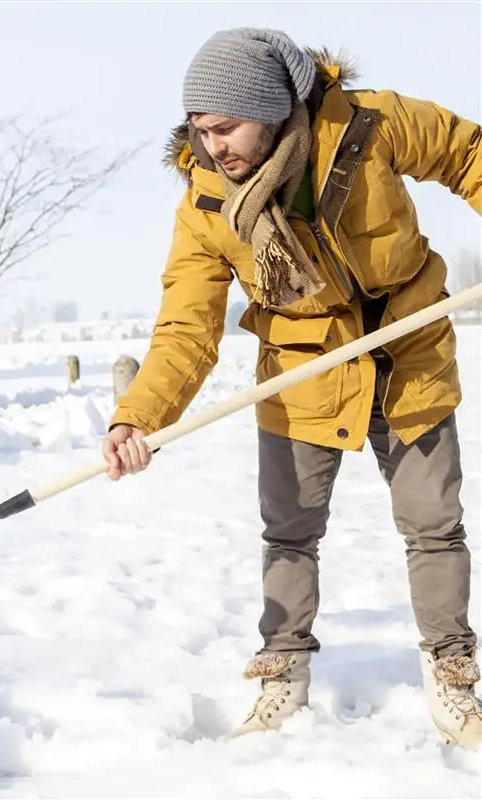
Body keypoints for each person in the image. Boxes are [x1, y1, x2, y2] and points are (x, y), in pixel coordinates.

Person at [102, 28, 481, 749]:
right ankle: (284, 674)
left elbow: (469, 152)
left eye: (226, 126)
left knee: (434, 526)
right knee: (290, 531)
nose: (213, 146)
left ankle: (452, 671)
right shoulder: (208, 205)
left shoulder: (371, 125)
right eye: (200, 130)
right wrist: (137, 416)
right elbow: (187, 323)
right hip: (301, 370)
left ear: (272, 107)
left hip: (409, 349)